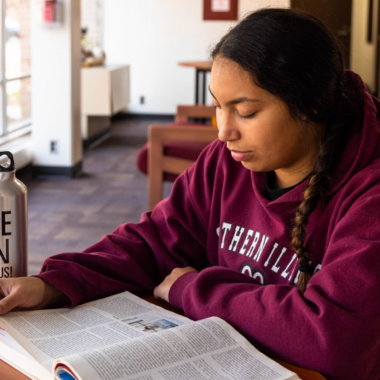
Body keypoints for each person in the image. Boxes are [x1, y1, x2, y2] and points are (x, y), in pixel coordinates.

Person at [0, 8, 379, 380]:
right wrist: (52, 284)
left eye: (245, 112)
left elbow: (334, 340)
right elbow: (155, 241)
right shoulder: (227, 161)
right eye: (217, 107)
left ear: (310, 104)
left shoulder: (370, 191)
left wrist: (190, 289)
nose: (223, 132)